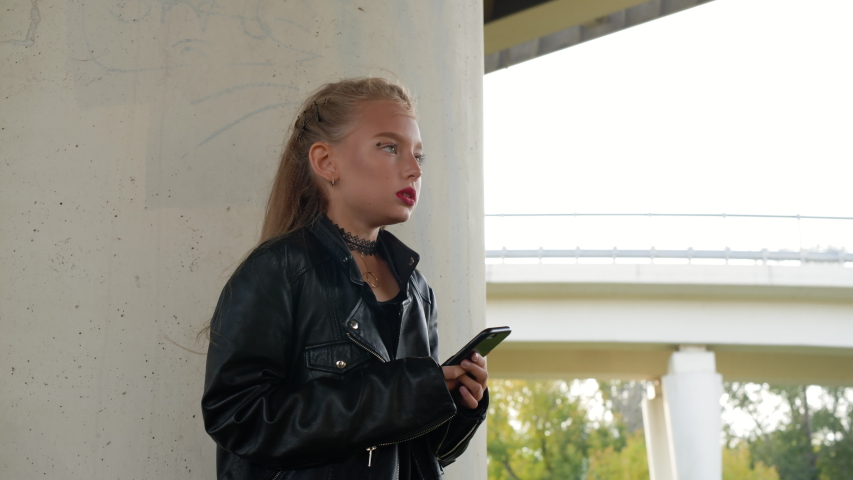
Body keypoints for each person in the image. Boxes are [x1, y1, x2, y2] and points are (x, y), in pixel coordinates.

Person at [201, 77, 489, 480]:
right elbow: (238, 418)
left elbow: (424, 454)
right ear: (325, 162)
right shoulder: (280, 269)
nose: (412, 169)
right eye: (389, 147)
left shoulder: (417, 290)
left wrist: (456, 405)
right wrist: (404, 393)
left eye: (418, 156)